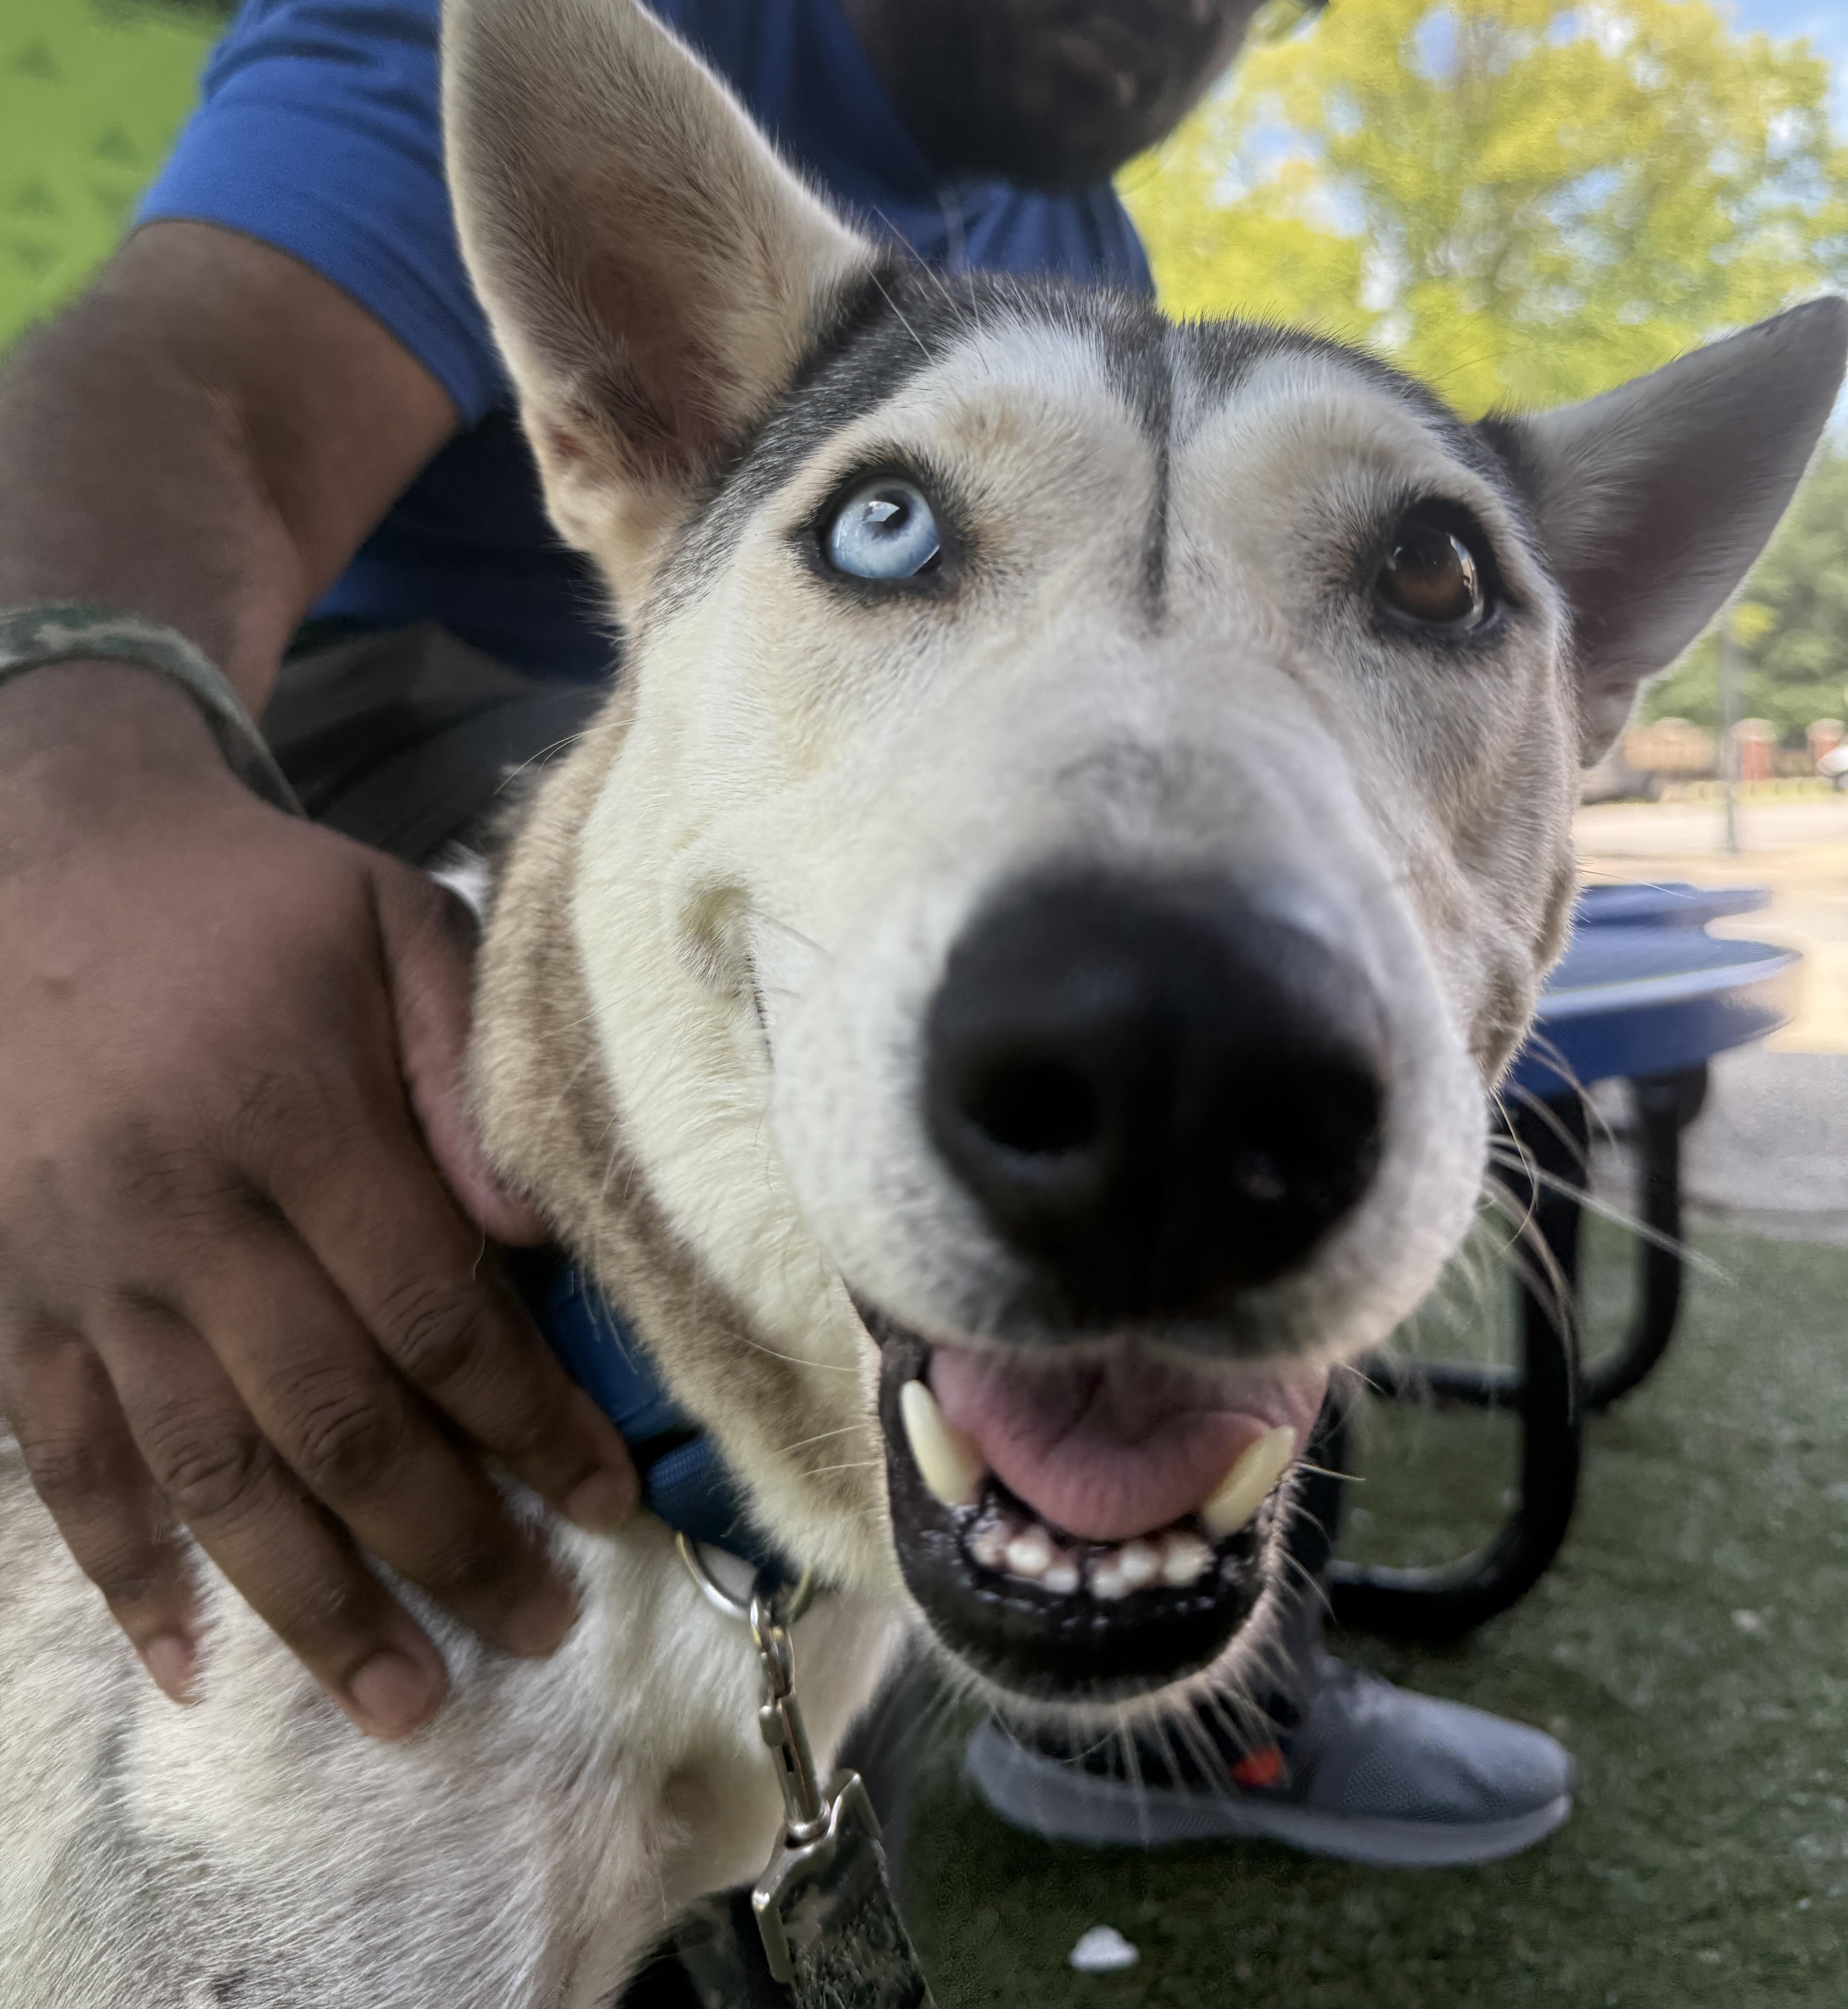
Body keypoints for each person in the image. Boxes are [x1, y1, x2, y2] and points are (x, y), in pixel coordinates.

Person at [0, 0, 1569, 1864]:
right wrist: (69, 832)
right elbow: (198, 392)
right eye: (897, 518)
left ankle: (924, 1710)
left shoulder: (1084, 250)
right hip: (348, 729)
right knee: (619, 825)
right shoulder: (543, 51)